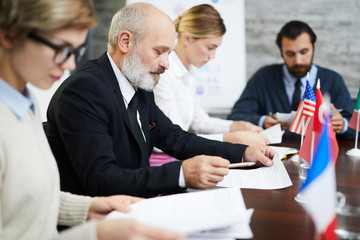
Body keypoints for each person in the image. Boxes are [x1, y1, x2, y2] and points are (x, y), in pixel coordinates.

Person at [45, 2, 276, 199]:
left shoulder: (139, 83)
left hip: (133, 207)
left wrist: (243, 152)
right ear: (125, 41)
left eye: (168, 53)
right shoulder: (84, 91)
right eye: (159, 52)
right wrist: (182, 174)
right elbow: (102, 179)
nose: (166, 64)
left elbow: (176, 138)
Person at [0, 0, 185, 239]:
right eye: (62, 49)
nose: (69, 64)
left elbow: (22, 198)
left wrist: (85, 208)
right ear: (10, 36)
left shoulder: (26, 103)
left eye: (76, 52)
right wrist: (95, 234)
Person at [151, 4, 269, 166]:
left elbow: (200, 122)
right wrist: (234, 138)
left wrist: (237, 126)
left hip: (179, 157)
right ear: (186, 39)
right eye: (210, 48)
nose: (212, 56)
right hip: (162, 163)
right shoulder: (164, 73)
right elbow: (175, 138)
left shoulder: (188, 71)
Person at [228, 20, 355, 139]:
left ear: (314, 46)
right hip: (273, 154)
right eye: (290, 54)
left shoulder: (333, 80)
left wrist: (342, 125)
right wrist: (262, 121)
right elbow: (235, 117)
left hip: (319, 156)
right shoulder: (263, 77)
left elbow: (355, 127)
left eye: (304, 52)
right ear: (281, 51)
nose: (298, 61)